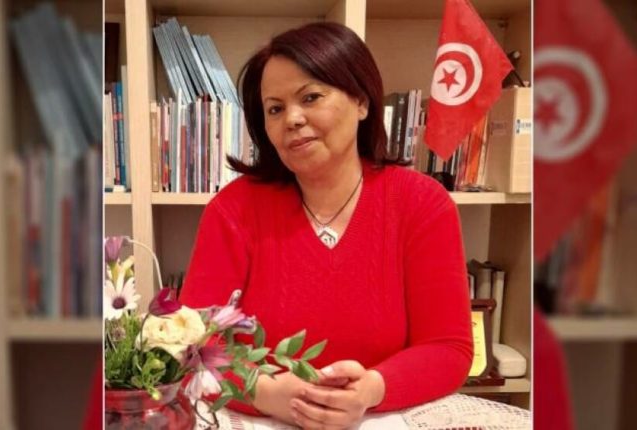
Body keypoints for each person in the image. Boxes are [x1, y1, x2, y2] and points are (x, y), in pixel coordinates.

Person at [179, 22, 473, 429]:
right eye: (275, 108)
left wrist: (373, 388)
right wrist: (262, 391)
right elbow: (191, 344)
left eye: (311, 97)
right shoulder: (234, 209)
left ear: (361, 101)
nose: (292, 119)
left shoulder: (422, 204)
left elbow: (448, 348)